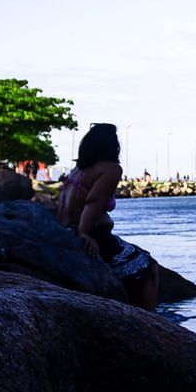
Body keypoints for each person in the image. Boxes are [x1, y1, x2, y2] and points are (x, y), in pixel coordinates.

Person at [57, 122, 160, 309]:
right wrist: (83, 234)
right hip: (93, 233)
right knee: (148, 265)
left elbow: (63, 204)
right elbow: (93, 201)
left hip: (65, 229)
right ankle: (150, 321)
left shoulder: (77, 170)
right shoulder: (111, 169)